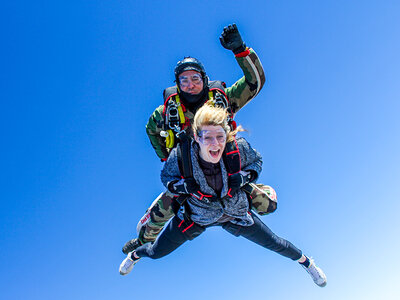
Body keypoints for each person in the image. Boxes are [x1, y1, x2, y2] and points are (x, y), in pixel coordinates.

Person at [119, 104, 327, 287]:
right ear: (196, 138)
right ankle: (135, 254)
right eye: (207, 137)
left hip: (235, 213)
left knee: (275, 242)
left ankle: (307, 263)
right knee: (156, 252)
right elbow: (167, 177)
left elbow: (257, 161)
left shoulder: (238, 148)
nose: (215, 144)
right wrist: (182, 187)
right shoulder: (182, 155)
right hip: (196, 216)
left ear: (226, 135)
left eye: (219, 136)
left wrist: (246, 177)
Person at [122, 24, 278, 254]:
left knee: (268, 206)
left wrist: (241, 51)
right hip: (189, 173)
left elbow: (255, 83)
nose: (190, 84)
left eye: (195, 77)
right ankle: (142, 241)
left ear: (204, 79)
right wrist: (167, 158)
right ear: (177, 84)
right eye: (183, 80)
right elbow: (151, 130)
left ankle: (259, 188)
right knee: (156, 217)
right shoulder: (167, 112)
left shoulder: (223, 99)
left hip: (228, 169)